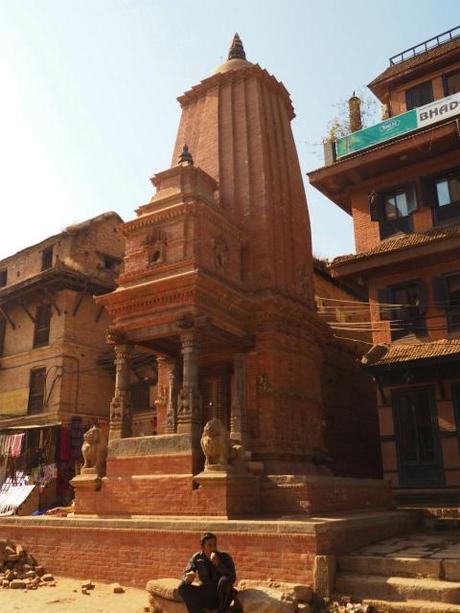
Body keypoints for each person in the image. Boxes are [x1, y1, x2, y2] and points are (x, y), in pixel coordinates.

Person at [178, 532, 236, 613]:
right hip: (206, 593)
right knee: (182, 587)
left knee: (224, 579)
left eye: (214, 545)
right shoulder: (197, 558)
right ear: (202, 547)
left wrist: (218, 564)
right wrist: (188, 577)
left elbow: (232, 577)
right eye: (209, 545)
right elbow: (187, 572)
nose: (213, 548)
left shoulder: (224, 557)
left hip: (222, 596)